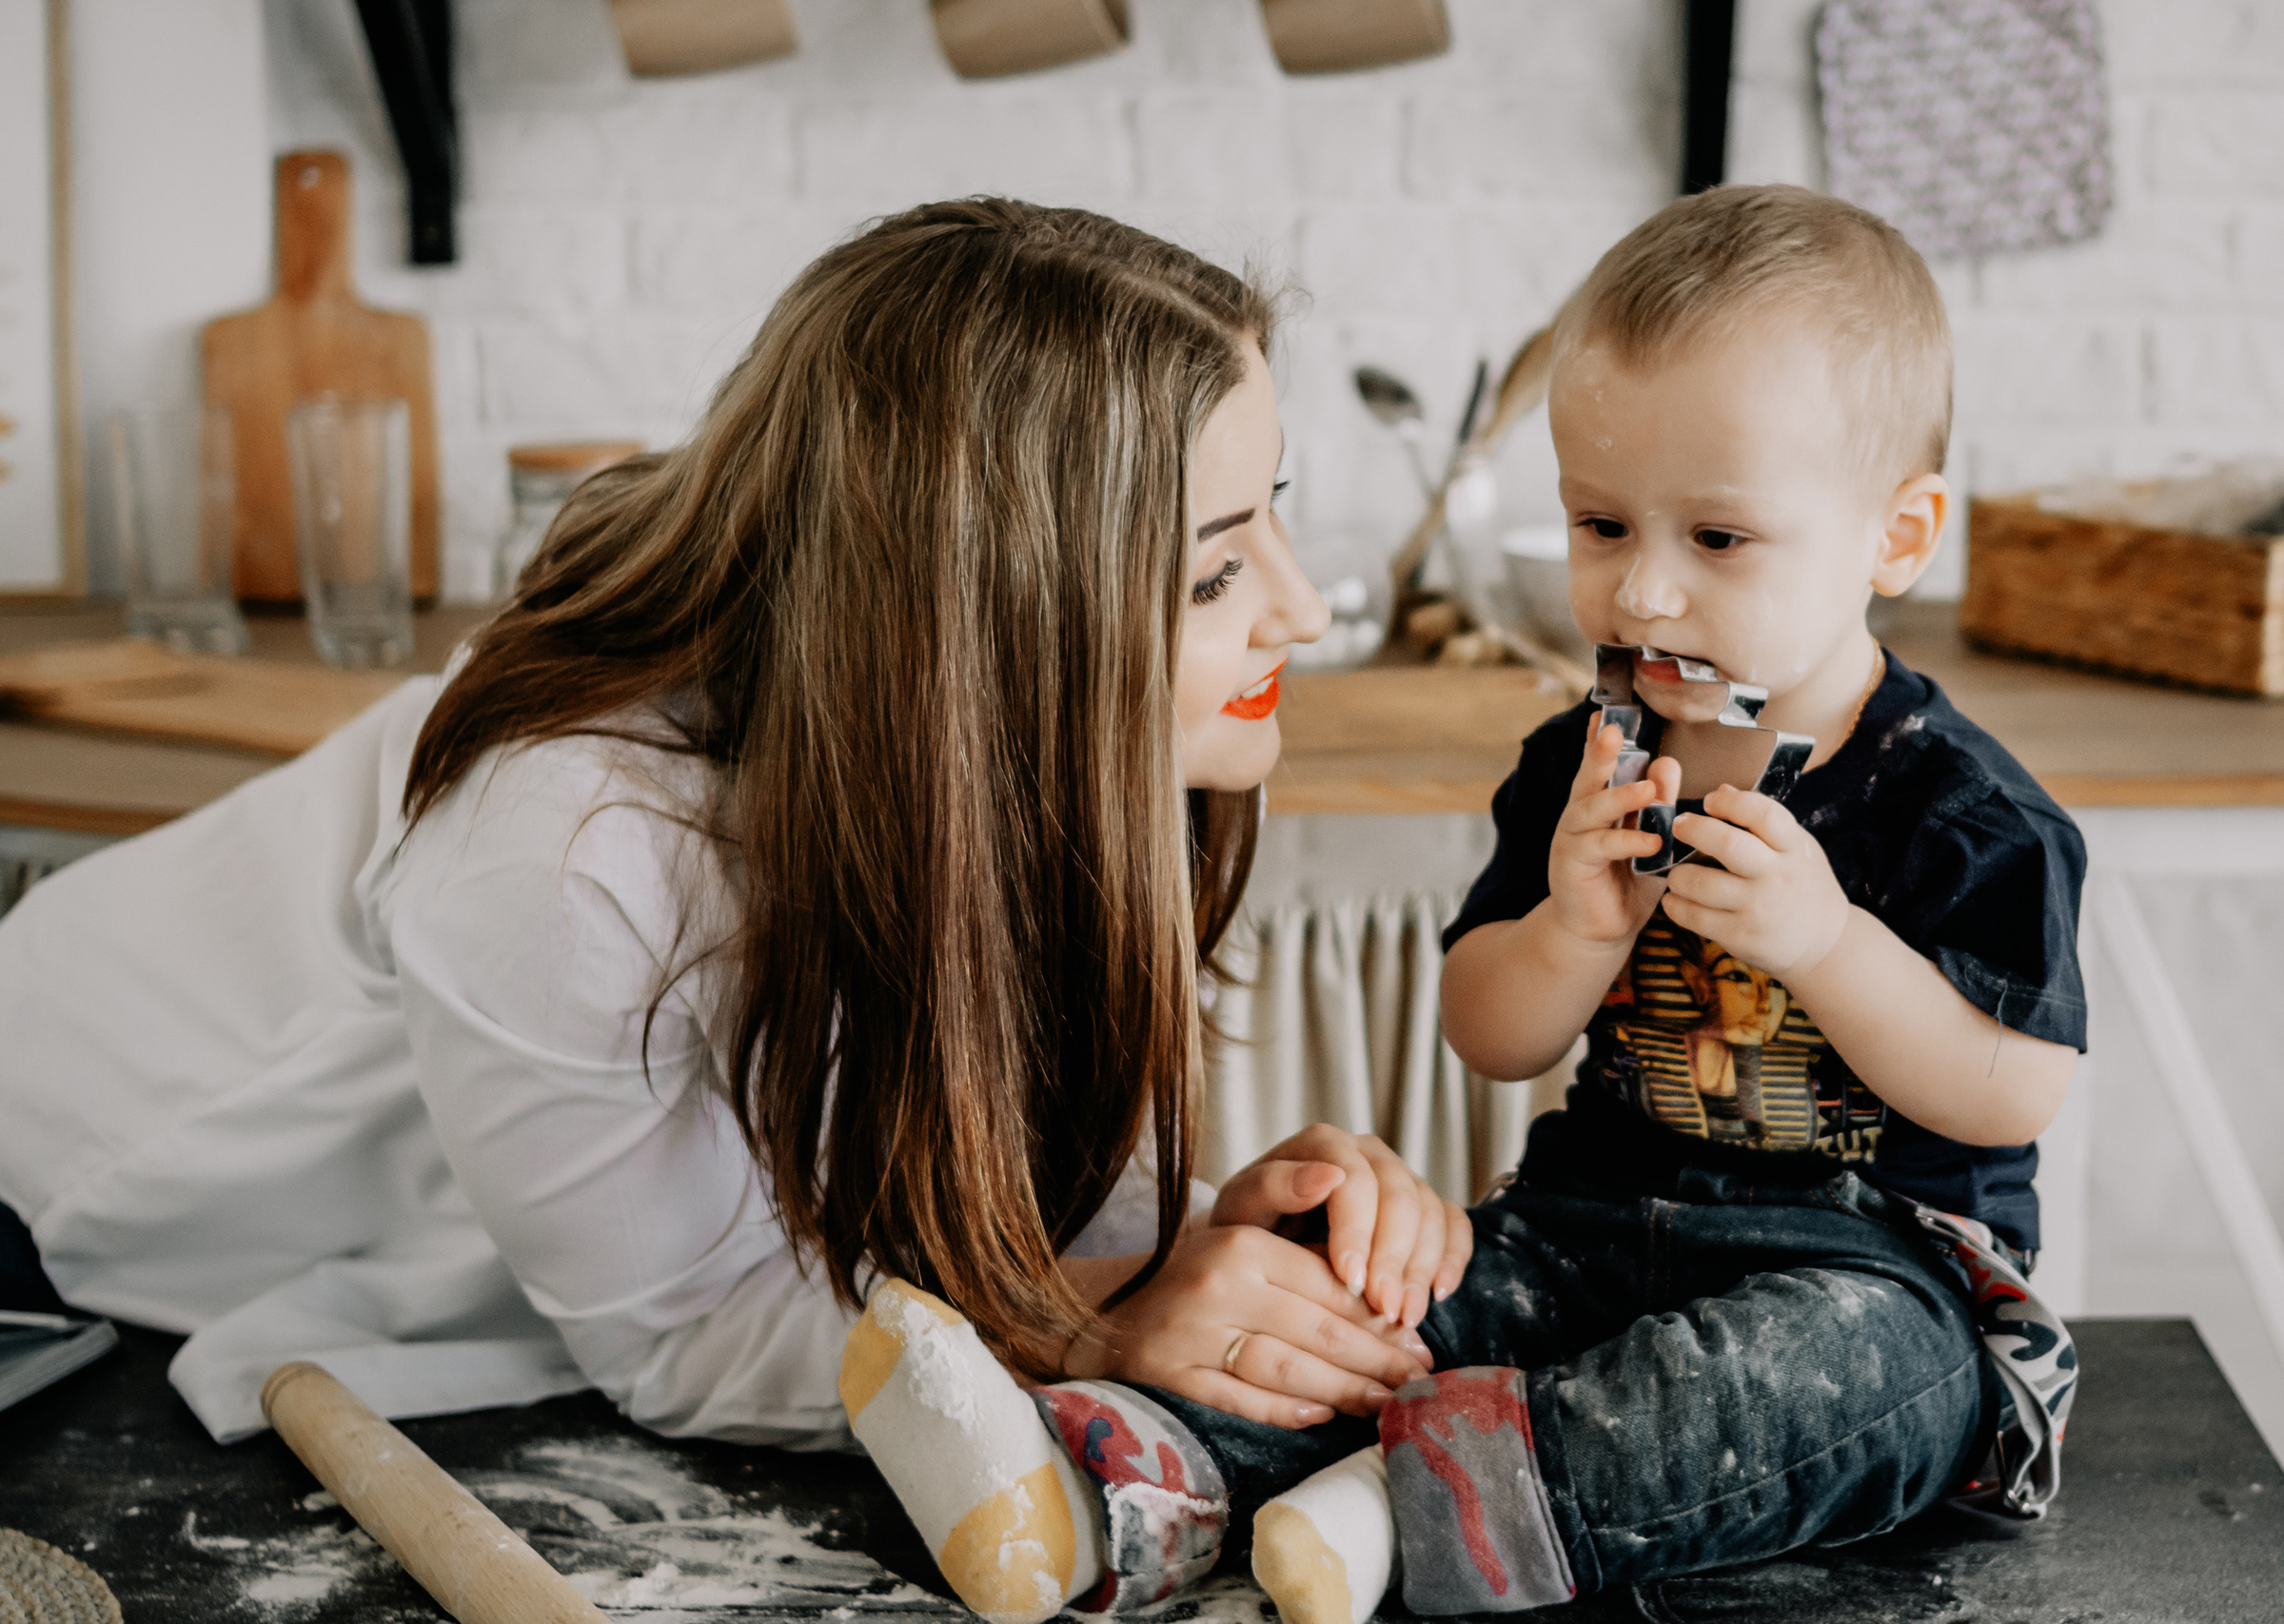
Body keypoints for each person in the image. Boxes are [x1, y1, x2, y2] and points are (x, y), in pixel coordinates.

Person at [0, 200, 1472, 1449]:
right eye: (1215, 573)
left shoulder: (951, 742)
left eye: (1271, 513)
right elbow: (683, 1341)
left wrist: (1215, 1242)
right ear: (990, 623)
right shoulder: (559, 850)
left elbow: (947, 1178)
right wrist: (1102, 1330)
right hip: (57, 1205)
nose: (1304, 605)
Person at [842, 185, 2087, 1624]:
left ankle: (1407, 1501)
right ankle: (1105, 1490)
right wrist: (1573, 929)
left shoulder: (1965, 814)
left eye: (1720, 541)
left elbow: (2013, 1095)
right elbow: (1488, 1032)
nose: (1647, 594)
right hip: (1585, 1226)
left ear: (1900, 534)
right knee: (1363, 1312)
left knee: (1862, 1386)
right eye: (1603, 525)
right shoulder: (1590, 759)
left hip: (1865, 1266)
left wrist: (1825, 944)